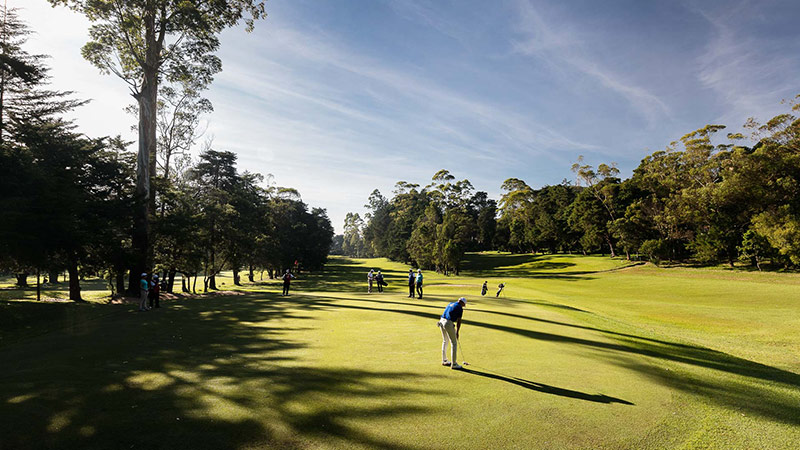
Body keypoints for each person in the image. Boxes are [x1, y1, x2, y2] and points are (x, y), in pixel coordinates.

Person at [438, 297, 467, 370]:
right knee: (454, 343)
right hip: (447, 323)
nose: (463, 306)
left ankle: (444, 360)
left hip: (441, 321)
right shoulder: (459, 308)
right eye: (464, 305)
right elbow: (459, 321)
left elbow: (448, 314)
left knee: (445, 341)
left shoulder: (451, 303)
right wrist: (457, 332)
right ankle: (454, 364)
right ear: (462, 303)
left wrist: (451, 323)